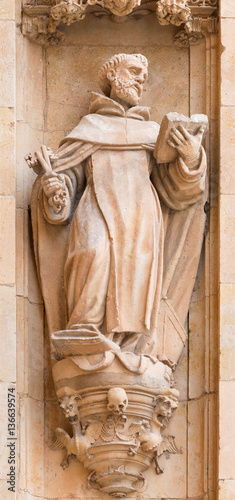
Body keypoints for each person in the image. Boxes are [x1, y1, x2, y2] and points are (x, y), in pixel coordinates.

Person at [31, 53, 207, 363]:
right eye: (135, 71)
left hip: (141, 217)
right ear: (113, 75)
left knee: (135, 272)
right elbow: (69, 175)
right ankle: (85, 332)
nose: (142, 79)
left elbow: (177, 191)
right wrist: (56, 192)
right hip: (97, 206)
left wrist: (190, 158)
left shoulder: (152, 132)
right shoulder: (89, 127)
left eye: (145, 74)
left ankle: (130, 346)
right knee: (93, 252)